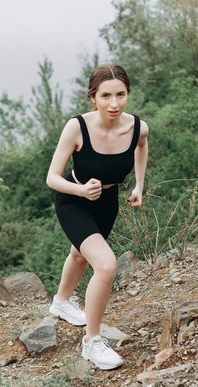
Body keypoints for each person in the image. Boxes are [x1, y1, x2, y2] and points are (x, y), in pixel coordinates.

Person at [46, 64, 149, 370]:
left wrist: (139, 185)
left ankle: (61, 302)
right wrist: (80, 192)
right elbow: (52, 177)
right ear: (93, 97)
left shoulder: (138, 128)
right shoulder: (77, 127)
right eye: (106, 96)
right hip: (73, 199)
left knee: (79, 254)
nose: (114, 103)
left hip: (107, 202)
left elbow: (141, 147)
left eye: (121, 94)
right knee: (105, 264)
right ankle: (92, 342)